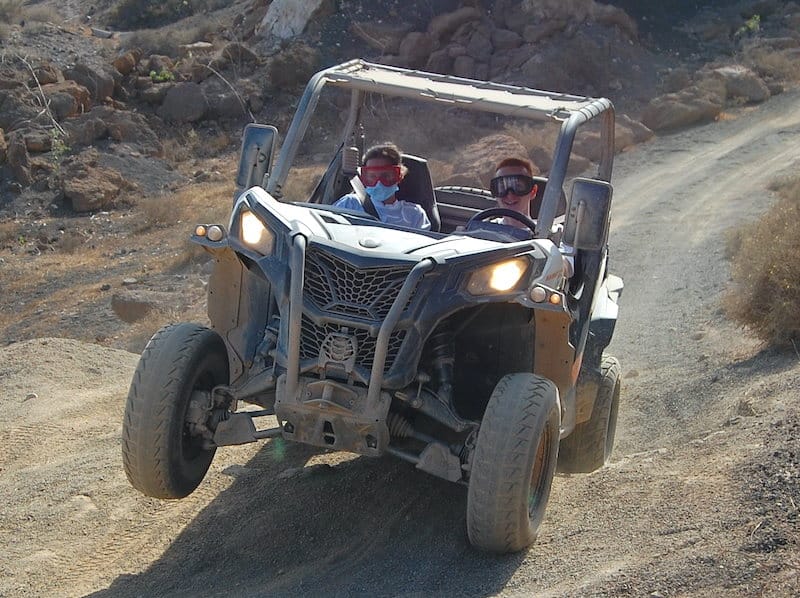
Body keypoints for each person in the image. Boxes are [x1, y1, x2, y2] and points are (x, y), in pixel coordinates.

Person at [490, 157, 574, 278]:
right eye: (502, 187)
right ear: (494, 192)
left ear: (533, 191)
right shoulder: (484, 229)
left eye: (518, 186)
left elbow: (568, 268)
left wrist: (552, 258)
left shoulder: (552, 233)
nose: (510, 195)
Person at [335, 143, 431, 230]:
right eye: (372, 176)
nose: (379, 183)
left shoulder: (415, 214)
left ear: (399, 176)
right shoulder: (349, 203)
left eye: (386, 176)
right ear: (364, 178)